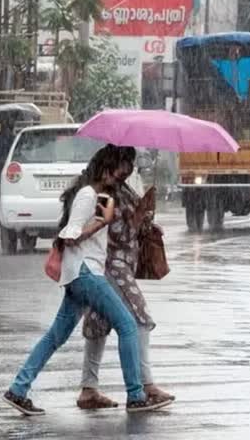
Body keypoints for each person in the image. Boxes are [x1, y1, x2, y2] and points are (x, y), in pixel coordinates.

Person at [3, 146, 174, 416]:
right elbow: (69, 235)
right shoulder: (87, 194)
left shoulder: (96, 194)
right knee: (128, 325)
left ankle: (18, 389)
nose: (123, 175)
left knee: (54, 337)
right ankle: (136, 395)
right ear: (106, 167)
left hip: (77, 274)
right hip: (86, 272)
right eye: (121, 169)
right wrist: (100, 223)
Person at [77, 146, 174, 409]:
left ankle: (88, 389)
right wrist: (138, 218)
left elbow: (132, 226)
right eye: (124, 162)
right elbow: (111, 231)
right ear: (111, 163)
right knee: (139, 318)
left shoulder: (123, 189)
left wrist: (147, 221)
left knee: (97, 325)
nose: (128, 168)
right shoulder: (105, 192)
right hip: (111, 266)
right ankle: (146, 385)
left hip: (119, 265)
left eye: (131, 162)